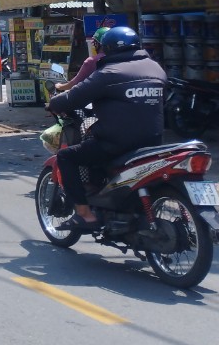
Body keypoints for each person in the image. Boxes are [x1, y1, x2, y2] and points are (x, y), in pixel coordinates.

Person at [47, 26, 165, 231]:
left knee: (67, 157)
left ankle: (84, 214)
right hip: (152, 141)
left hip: (116, 143)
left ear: (107, 49)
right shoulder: (156, 69)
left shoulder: (108, 73)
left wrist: (53, 104)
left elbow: (73, 98)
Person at [53, 26, 106, 94]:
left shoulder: (92, 61)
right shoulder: (121, 60)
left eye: (94, 42)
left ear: (97, 44)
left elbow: (75, 83)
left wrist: (60, 86)